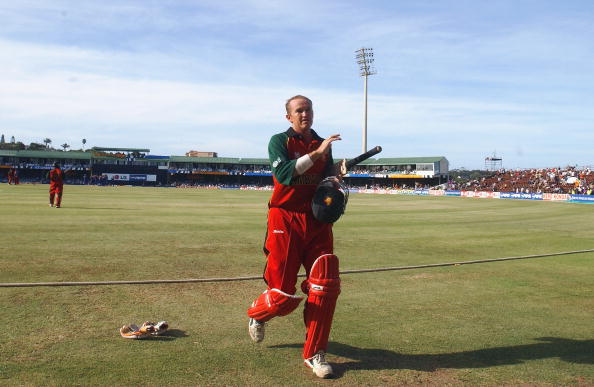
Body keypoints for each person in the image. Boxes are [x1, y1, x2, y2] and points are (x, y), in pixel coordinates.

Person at [247, 95, 344, 379]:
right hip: (285, 219)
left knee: (325, 284)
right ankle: (258, 313)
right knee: (281, 296)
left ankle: (315, 353)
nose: (305, 114)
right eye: (299, 110)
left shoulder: (322, 145)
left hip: (316, 221)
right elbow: (286, 174)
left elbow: (326, 180)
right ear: (289, 116)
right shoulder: (280, 141)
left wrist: (336, 174)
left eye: (308, 109)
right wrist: (317, 154)